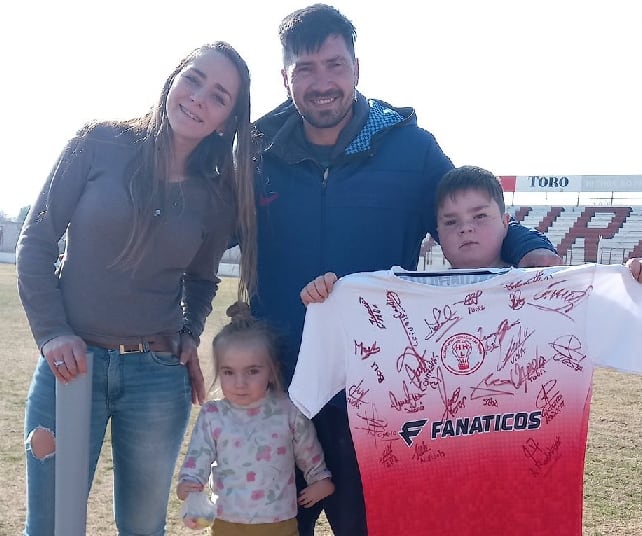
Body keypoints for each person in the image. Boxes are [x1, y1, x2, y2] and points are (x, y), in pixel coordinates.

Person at [250, 5, 561, 534]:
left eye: (334, 64)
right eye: (305, 68)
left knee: (375, 526)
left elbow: (466, 206)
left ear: (357, 68)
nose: (321, 82)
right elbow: (198, 237)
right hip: (276, 385)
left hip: (379, 391)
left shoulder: (410, 148)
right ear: (285, 78)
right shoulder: (253, 153)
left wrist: (531, 252)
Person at [294, 166, 642, 535]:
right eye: (451, 221)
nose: (466, 228)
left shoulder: (560, 295)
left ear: (507, 222)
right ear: (437, 233)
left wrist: (635, 285)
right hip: (419, 516)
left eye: (480, 216)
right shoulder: (366, 303)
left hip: (529, 516)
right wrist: (330, 301)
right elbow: (307, 393)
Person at [16, 42, 256, 536]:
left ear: (227, 120)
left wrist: (190, 332)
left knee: (144, 527)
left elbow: (202, 277)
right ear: (173, 77)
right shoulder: (98, 143)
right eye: (193, 79)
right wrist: (52, 331)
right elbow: (36, 241)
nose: (197, 98)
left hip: (156, 377)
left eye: (218, 96)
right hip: (70, 366)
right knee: (51, 525)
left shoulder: (214, 197)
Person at [176, 302, 335, 536]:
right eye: (229, 372)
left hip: (279, 523)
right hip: (227, 523)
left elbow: (308, 450)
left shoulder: (289, 410)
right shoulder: (213, 416)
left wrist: (320, 479)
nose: (240, 383)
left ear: (272, 370)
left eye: (252, 371)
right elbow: (197, 456)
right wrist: (188, 482)